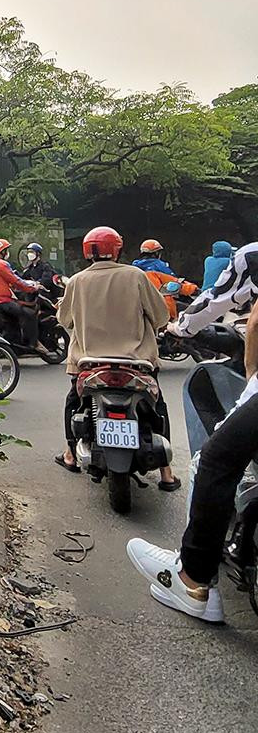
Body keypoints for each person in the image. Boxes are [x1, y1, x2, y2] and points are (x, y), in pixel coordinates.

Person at [127, 245, 258, 621]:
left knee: (213, 460)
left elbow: (215, 301)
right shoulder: (154, 272)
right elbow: (178, 289)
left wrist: (180, 328)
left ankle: (194, 578)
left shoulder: (248, 257)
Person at [56, 225, 177, 485]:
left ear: (87, 252)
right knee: (158, 406)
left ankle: (69, 454)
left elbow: (65, 319)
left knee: (73, 401)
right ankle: (166, 472)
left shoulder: (77, 281)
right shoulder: (136, 276)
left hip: (90, 363)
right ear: (117, 249)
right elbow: (160, 316)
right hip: (137, 363)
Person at [0, 238, 55, 359]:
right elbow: (17, 281)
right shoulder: (2, 264)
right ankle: (33, 343)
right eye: (6, 250)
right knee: (29, 313)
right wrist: (32, 288)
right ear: (3, 252)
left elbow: (4, 280)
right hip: (0, 299)